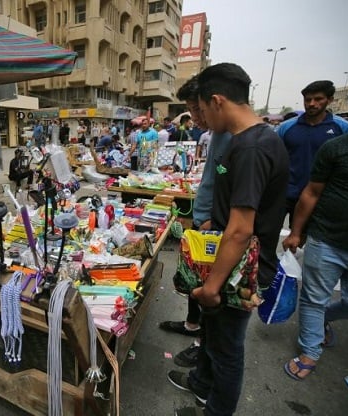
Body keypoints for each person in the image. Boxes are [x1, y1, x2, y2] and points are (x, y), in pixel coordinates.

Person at [168, 63, 288, 416]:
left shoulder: (252, 147)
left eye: (202, 109)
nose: (201, 117)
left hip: (239, 274)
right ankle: (202, 384)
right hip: (230, 264)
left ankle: (215, 409)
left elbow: (240, 229)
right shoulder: (252, 140)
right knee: (214, 338)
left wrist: (212, 287)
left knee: (227, 350)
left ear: (217, 101)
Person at [159, 75, 232, 368]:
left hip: (213, 228)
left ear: (214, 102)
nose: (195, 118)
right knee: (194, 282)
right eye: (191, 110)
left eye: (198, 109)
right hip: (204, 224)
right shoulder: (215, 134)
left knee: (209, 290)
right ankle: (192, 325)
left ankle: (202, 345)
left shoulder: (232, 137)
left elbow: (233, 191)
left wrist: (211, 220)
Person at [282, 128, 348, 381]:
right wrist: (296, 232)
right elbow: (311, 192)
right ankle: (310, 351)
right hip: (326, 239)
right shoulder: (336, 147)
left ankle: (322, 319)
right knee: (314, 299)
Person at [276, 80, 348, 225]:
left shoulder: (342, 128)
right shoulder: (286, 127)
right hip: (285, 194)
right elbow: (275, 159)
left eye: (318, 99)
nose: (312, 103)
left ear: (329, 100)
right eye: (308, 99)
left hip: (320, 197)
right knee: (267, 235)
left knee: (305, 240)